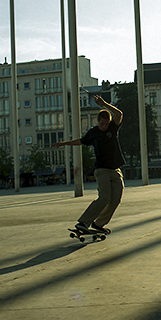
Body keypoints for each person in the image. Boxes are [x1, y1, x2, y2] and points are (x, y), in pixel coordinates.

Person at [54, 94, 125, 234]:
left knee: (115, 199)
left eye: (106, 123)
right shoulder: (93, 133)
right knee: (104, 197)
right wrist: (64, 143)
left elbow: (119, 113)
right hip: (102, 169)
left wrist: (104, 104)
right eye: (102, 124)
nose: (104, 126)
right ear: (98, 122)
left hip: (115, 170)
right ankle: (84, 222)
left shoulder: (112, 128)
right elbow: (80, 141)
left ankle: (99, 224)